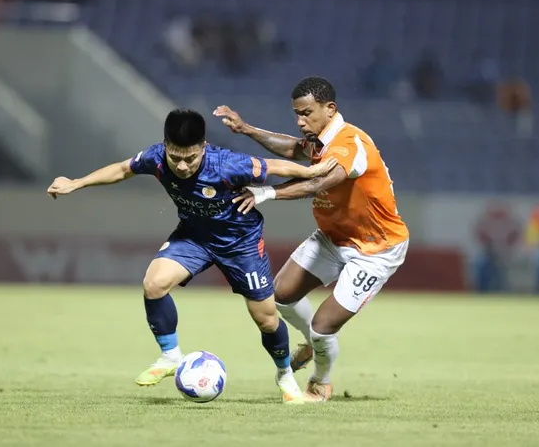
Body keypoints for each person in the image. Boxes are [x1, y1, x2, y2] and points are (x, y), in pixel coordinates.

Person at [46, 108, 337, 404]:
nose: (183, 166)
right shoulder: (155, 157)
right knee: (154, 284)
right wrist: (76, 183)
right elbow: (122, 170)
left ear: (203, 147)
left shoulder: (226, 164)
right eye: (175, 158)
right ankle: (170, 355)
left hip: (240, 244)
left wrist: (310, 172)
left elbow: (273, 166)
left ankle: (284, 374)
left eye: (191, 158)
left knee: (266, 319)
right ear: (165, 146)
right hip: (194, 237)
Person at [214, 76, 410, 402]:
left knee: (323, 326)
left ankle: (320, 382)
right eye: (297, 114)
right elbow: (293, 148)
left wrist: (265, 192)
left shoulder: (349, 144)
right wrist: (246, 129)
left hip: (376, 249)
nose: (300, 121)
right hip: (333, 238)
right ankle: (315, 344)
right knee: (280, 295)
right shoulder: (320, 139)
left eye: (306, 113)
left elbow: (318, 183)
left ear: (329, 109)